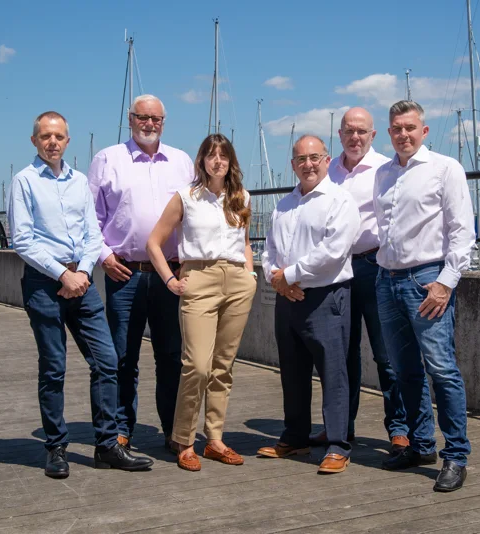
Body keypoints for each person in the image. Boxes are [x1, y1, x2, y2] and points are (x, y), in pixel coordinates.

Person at [9, 111, 153, 478]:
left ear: (67, 141)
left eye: (58, 136)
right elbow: (22, 240)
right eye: (45, 136)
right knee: (54, 367)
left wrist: (84, 272)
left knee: (107, 361)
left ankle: (107, 445)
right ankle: (56, 447)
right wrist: (62, 274)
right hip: (44, 283)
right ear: (35, 141)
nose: (52, 142)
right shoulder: (24, 182)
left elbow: (93, 234)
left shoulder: (77, 182)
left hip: (83, 280)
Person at [374, 100, 475, 492]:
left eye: (410, 127)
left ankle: (456, 455)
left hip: (427, 278)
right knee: (404, 371)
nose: (403, 134)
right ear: (390, 132)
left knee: (442, 368)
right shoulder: (382, 173)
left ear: (424, 130)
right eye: (397, 128)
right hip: (387, 278)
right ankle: (420, 445)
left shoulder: (445, 168)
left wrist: (446, 282)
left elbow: (461, 231)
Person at [88, 95, 194, 451]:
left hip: (169, 274)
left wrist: (189, 259)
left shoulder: (182, 162)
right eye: (143, 117)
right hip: (124, 274)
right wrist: (103, 256)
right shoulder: (107, 159)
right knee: (122, 357)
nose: (149, 124)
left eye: (156, 119)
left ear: (164, 122)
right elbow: (90, 218)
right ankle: (121, 428)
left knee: (170, 356)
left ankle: (173, 430)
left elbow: (195, 215)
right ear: (130, 119)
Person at [146, 133, 258, 472]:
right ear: (202, 161)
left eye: (224, 155)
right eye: (211, 155)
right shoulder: (186, 197)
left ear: (231, 161)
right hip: (199, 279)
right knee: (196, 364)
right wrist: (170, 279)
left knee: (223, 365)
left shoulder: (242, 197)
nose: (218, 161)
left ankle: (215, 439)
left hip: (237, 281)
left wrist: (249, 276)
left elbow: (246, 243)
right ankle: (183, 439)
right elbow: (154, 242)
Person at [257, 135, 360, 474]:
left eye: (315, 157)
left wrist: (290, 274)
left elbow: (334, 251)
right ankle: (296, 437)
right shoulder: (284, 204)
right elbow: (268, 248)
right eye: (301, 159)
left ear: (327, 160)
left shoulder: (340, 201)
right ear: (293, 165)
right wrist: (275, 276)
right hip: (287, 299)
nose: (308, 164)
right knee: (292, 371)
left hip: (325, 297)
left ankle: (337, 444)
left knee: (334, 373)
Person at [312, 106, 409, 454]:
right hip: (336, 271)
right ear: (339, 135)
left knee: (386, 354)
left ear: (373, 135)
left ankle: (399, 428)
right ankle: (341, 427)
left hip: (374, 266)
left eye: (361, 131)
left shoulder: (385, 170)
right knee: (341, 355)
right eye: (349, 131)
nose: (355, 137)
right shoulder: (327, 172)